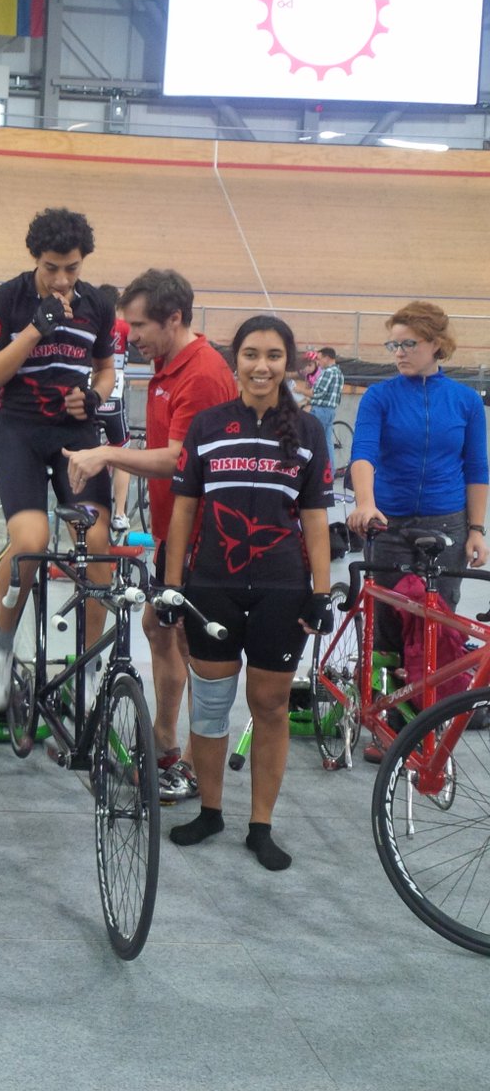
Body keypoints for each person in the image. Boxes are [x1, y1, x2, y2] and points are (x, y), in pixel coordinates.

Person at [159, 315, 334, 871]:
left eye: (274, 356)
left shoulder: (308, 433)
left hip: (283, 589)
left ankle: (261, 825)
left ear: (289, 363)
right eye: (252, 354)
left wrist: (321, 593)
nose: (263, 366)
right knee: (209, 707)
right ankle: (211, 810)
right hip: (212, 584)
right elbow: (184, 511)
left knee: (271, 704)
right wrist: (171, 585)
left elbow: (315, 519)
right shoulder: (209, 425)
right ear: (235, 360)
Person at [64, 269, 235, 802]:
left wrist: (108, 454)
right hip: (175, 533)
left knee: (191, 645)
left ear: (174, 318)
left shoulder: (201, 373)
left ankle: (184, 761)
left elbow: (179, 460)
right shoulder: (164, 365)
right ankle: (165, 743)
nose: (128, 337)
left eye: (138, 325)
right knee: (160, 630)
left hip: (208, 536)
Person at [0, 208, 118, 712]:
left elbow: (105, 371)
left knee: (97, 538)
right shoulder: (7, 299)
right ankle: (1, 646)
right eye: (52, 266)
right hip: (19, 429)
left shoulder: (96, 304)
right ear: (36, 258)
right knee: (31, 541)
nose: (61, 279)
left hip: (74, 433)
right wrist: (35, 330)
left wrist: (95, 399)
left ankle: (90, 664)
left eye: (71, 268)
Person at [345, 301, 488, 760]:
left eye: (409, 343)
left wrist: (477, 529)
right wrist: (365, 503)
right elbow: (363, 452)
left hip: (447, 523)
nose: (399, 352)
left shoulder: (465, 401)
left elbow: (477, 468)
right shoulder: (380, 396)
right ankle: (388, 721)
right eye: (394, 344)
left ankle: (427, 716)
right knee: (388, 624)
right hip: (388, 521)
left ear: (436, 345)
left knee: (438, 622)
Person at [97, 284, 134, 533]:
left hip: (91, 397)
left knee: (88, 452)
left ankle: (92, 511)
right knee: (123, 456)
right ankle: (119, 514)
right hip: (115, 401)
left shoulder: (89, 324)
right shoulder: (124, 328)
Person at [304, 346, 344, 473]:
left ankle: (313, 472)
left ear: (327, 358)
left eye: (320, 359)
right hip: (330, 411)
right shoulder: (339, 373)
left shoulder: (328, 372)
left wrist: (298, 390)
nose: (318, 362)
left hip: (320, 411)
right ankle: (329, 473)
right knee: (327, 444)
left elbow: (317, 393)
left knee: (312, 441)